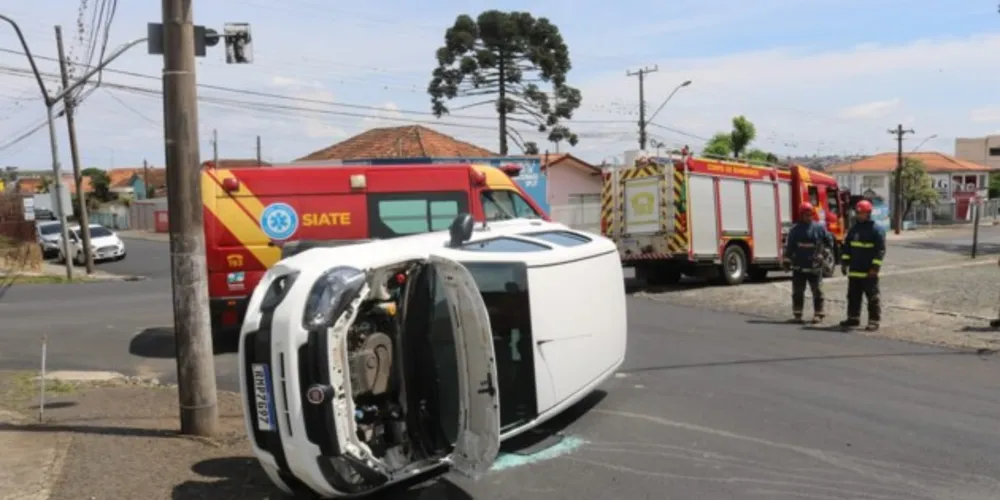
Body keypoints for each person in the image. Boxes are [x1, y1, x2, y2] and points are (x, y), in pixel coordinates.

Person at [783, 202, 834, 323]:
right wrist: (786, 261)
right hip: (799, 267)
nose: (808, 216)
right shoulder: (795, 230)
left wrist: (824, 254)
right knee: (797, 292)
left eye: (810, 214)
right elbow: (790, 247)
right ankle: (797, 315)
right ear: (801, 215)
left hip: (815, 266)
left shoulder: (819, 228)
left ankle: (819, 314)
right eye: (806, 214)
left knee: (817, 291)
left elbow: (829, 242)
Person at [839, 199, 885, 331]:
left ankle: (874, 321)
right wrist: (844, 263)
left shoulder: (876, 230)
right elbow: (847, 247)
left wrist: (875, 268)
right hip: (854, 270)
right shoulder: (854, 229)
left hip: (868, 271)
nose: (859, 215)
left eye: (861, 213)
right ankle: (853, 318)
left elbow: (880, 251)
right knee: (853, 296)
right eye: (858, 212)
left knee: (872, 297)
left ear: (868, 213)